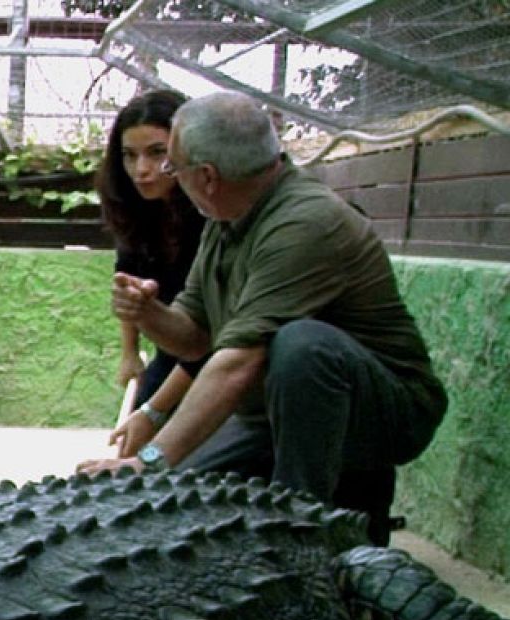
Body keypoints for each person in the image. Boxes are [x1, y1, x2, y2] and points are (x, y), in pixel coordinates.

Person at [76, 91, 448, 544]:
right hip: (268, 415)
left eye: (173, 165)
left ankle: (295, 526)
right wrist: (148, 313)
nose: (162, 175)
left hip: (386, 410)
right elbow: (194, 339)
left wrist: (150, 455)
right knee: (164, 497)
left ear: (207, 176)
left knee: (304, 344)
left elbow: (238, 362)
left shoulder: (306, 222)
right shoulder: (225, 218)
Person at [94, 90, 209, 457]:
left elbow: (211, 339)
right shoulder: (136, 211)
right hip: (170, 349)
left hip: (214, 354)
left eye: (157, 153)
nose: (140, 169)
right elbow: (127, 285)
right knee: (129, 451)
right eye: (129, 155)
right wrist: (129, 353)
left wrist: (153, 410)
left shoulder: (212, 216)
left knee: (158, 451)